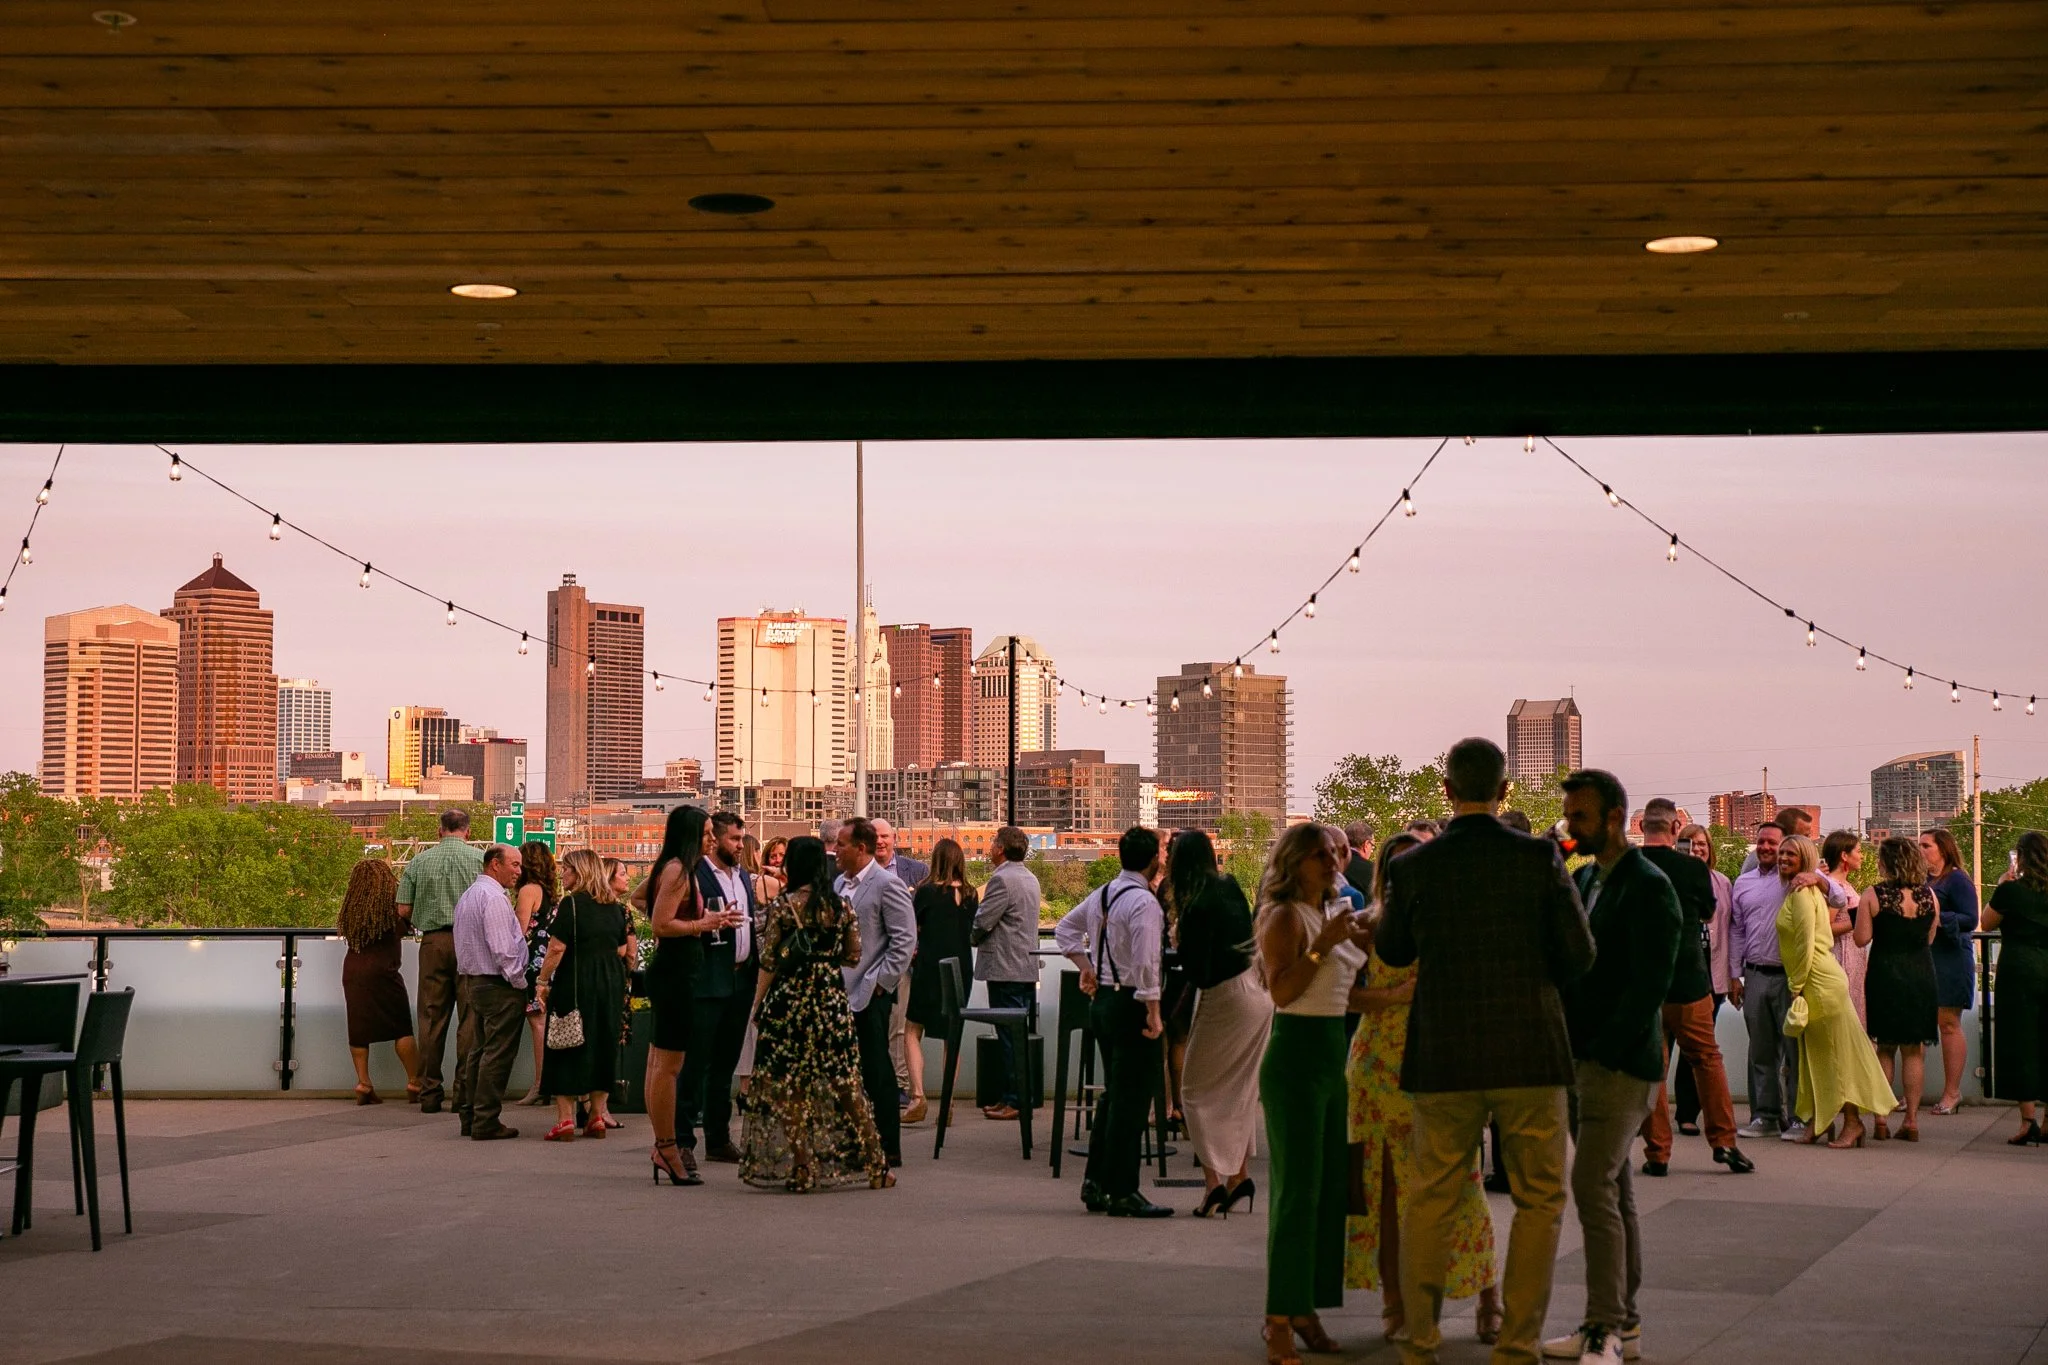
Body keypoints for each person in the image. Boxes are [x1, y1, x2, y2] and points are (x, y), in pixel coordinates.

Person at [1376, 737, 1595, 1365]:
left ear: (1447, 791)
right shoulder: (1540, 859)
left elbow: (1391, 951)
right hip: (1530, 1051)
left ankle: (1419, 1344)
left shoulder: (1413, 866)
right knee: (1540, 1200)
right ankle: (1517, 1344)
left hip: (1443, 1051)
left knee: (1430, 1197)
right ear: (1505, 792)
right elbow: (1578, 955)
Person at [1344, 833, 1502, 1346]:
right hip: (1378, 1067)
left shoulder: (1454, 921)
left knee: (1462, 1182)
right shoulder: (1369, 924)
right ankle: (1396, 1301)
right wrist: (1394, 995)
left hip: (1440, 1062)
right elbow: (1342, 997)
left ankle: (1488, 1296)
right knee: (1384, 1190)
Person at [1547, 771, 1681, 1365]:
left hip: (1619, 1062)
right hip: (1586, 1055)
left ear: (1615, 817)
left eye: (1579, 817)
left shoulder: (1649, 887)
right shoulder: (1588, 877)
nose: (1569, 826)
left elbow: (1651, 984)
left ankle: (1604, 1327)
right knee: (1615, 1189)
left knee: (1592, 1186)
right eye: (1568, 816)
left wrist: (1602, 1046)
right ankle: (1620, 1324)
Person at [1250, 822, 1371, 1365]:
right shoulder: (1285, 917)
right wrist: (1322, 947)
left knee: (1326, 1191)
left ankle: (1304, 1308)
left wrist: (1397, 998)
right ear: (1294, 862)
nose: (1332, 862)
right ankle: (1278, 1317)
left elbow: (1341, 999)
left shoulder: (1333, 911)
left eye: (1334, 854)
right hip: (1295, 1058)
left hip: (1331, 1058)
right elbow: (1283, 992)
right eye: (1319, 855)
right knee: (1297, 1193)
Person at [740, 836, 894, 1191]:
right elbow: (853, 955)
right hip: (829, 1000)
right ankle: (876, 1164)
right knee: (845, 1082)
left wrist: (758, 1005)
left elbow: (769, 961)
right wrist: (825, 957)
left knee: (790, 1085)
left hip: (790, 1000)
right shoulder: (841, 907)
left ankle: (803, 1166)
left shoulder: (783, 905)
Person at [1055, 825, 1175, 1221]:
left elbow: (1064, 929)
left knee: (1114, 1095)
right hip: (1130, 1004)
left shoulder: (1104, 893)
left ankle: (1096, 1182)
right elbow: (1146, 963)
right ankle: (1123, 1189)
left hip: (1103, 1001)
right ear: (1153, 860)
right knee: (1133, 1099)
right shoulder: (1145, 903)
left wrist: (1086, 967)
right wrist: (1154, 1010)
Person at [1634, 805, 1751, 1177]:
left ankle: (1658, 1152)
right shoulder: (1693, 869)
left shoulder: (1625, 867)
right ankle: (1725, 1143)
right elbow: (1705, 915)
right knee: (1706, 1059)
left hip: (1642, 986)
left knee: (1653, 1068)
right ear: (1675, 826)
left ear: (1639, 826)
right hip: (1688, 979)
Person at [1729, 819, 1856, 1142]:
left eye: (1775, 843)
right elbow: (1737, 930)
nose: (1768, 849)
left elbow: (1841, 900)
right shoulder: (1743, 883)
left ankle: (1801, 1117)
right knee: (1761, 1051)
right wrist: (1734, 974)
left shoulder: (1798, 881)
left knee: (1796, 1050)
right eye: (1763, 842)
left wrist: (1819, 879)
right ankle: (1765, 1116)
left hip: (1792, 978)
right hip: (1755, 973)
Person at [638, 805, 743, 1185]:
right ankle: (667, 1148)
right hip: (679, 973)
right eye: (706, 833)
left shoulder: (667, 868)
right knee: (669, 1067)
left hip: (673, 972)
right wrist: (704, 923)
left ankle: (662, 1143)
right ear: (691, 835)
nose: (711, 839)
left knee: (658, 1063)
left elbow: (641, 898)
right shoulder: (681, 871)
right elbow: (660, 924)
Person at [1171, 829, 1268, 1218]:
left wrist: (1180, 943)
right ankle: (1238, 1177)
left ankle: (1213, 1185)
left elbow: (1198, 969)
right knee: (1239, 1091)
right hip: (1257, 992)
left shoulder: (1195, 905)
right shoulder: (1229, 887)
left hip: (1225, 996)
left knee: (1193, 1091)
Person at [1776, 834, 1896, 1147]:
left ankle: (1852, 1122)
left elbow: (1805, 943)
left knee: (1837, 1055)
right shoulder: (1801, 889)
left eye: (1790, 854)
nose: (1783, 858)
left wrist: (1796, 986)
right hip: (1816, 979)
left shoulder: (1803, 893)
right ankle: (1819, 1121)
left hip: (1818, 979)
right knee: (1816, 1056)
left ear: (1804, 858)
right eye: (1781, 853)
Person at [836, 816, 917, 1167]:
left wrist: (882, 984)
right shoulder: (840, 883)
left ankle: (887, 1146)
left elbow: (905, 940)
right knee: (847, 1070)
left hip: (871, 993)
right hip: (839, 992)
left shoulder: (887, 884)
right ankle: (854, 1140)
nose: (835, 851)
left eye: (841, 845)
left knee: (877, 1070)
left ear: (861, 848)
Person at [535, 849, 631, 1142]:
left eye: (566, 869)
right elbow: (623, 950)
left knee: (565, 1044)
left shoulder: (571, 905)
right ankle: (597, 1117)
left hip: (575, 981)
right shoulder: (615, 908)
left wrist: (541, 981)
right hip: (610, 982)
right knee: (603, 1045)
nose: (562, 875)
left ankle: (565, 1120)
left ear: (579, 872)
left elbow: (556, 948)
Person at [683, 810, 760, 1163]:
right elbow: (650, 902)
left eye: (742, 839)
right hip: (709, 978)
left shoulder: (742, 876)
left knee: (725, 1064)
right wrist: (699, 924)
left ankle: (718, 1139)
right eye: (734, 839)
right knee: (697, 1062)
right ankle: (682, 1140)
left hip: (741, 978)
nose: (740, 846)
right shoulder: (694, 873)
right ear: (716, 839)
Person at [396, 808, 484, 1114]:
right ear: (468, 832)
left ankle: (430, 1092)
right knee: (470, 1017)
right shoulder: (479, 861)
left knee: (431, 1018)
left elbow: (403, 909)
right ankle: (463, 1094)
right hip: (471, 944)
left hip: (433, 943)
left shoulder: (419, 861)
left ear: (439, 831)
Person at [1855, 836, 1939, 1141]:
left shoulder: (1873, 895)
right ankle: (1912, 1121)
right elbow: (1929, 938)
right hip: (1920, 974)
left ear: (1886, 862)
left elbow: (1861, 938)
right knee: (1913, 1050)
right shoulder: (1929, 895)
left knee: (1885, 1048)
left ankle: (1880, 1118)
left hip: (1885, 974)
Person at [452, 844, 528, 1141]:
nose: (518, 871)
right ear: (495, 864)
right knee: (497, 1054)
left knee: (479, 1050)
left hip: (474, 981)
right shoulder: (494, 898)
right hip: (498, 984)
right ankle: (486, 1120)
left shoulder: (470, 895)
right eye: (514, 864)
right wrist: (519, 981)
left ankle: (470, 1115)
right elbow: (503, 949)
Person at [970, 825, 1042, 1120]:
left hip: (1004, 969)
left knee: (1009, 1039)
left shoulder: (1001, 880)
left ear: (1000, 848)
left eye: (992, 843)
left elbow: (983, 922)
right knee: (1018, 1037)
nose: (989, 848)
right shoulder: (1030, 878)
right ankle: (1013, 1097)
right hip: (1025, 967)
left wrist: (971, 937)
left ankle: (1014, 1100)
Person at [337, 857, 423, 1105]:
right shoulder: (390, 913)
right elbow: (406, 926)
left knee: (359, 1029)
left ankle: (364, 1083)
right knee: (401, 1027)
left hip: (352, 972)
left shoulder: (353, 910)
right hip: (384, 972)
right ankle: (414, 1081)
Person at [902, 838, 976, 1124]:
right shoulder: (970, 894)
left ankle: (918, 1096)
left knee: (912, 1030)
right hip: (959, 970)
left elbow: (914, 927)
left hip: (929, 968)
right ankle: (948, 1101)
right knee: (951, 1035)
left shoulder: (926, 892)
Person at [1986, 831, 2048, 1144]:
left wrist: (2001, 885)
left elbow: (1986, 923)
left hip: (2019, 968)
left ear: (2020, 857)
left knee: (2020, 1041)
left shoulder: (2011, 890)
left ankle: (2028, 1121)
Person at [1672, 823, 1734, 1136]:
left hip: (1712, 975)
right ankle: (1647, 1116)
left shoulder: (1722, 883)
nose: (1697, 850)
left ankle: (1687, 1113)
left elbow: (1732, 928)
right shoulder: (1669, 878)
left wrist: (1735, 975)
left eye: (1702, 845)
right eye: (1690, 845)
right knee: (1660, 1047)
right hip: (1674, 975)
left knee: (1695, 1050)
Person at [1919, 828, 1979, 1115]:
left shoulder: (1957, 879)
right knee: (1920, 1023)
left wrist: (1937, 916)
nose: (1921, 850)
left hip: (1952, 956)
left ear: (1942, 849)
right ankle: (1913, 1091)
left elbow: (1971, 918)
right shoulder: (1923, 880)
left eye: (1926, 845)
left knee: (1948, 1022)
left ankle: (1952, 1092)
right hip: (1926, 956)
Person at [873, 818, 929, 1106]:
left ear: (894, 838)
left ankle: (899, 1084)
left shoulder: (917, 872)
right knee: (872, 1025)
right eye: (875, 837)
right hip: (869, 963)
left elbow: (926, 916)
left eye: (885, 836)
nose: (880, 841)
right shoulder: (860, 873)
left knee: (900, 1025)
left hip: (904, 962)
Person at [513, 840, 562, 1107]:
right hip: (549, 962)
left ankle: (540, 1084)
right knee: (548, 1023)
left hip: (532, 963)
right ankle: (550, 1083)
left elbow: (518, 931)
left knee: (538, 1024)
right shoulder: (550, 892)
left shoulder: (528, 891)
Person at [1821, 831, 1870, 1028]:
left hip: (1854, 955)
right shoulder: (1833, 886)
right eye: (1858, 851)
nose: (1861, 856)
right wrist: (1861, 919)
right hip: (1842, 956)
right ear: (1844, 855)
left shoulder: (1844, 884)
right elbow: (1825, 927)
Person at [1342, 821, 1376, 901]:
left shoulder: (1333, 867)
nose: (1371, 850)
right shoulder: (1374, 870)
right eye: (1372, 846)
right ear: (1366, 845)